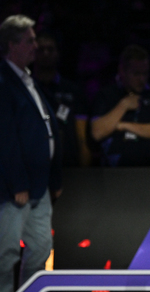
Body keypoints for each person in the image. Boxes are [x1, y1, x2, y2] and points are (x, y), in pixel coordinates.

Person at [0, 15, 62, 292]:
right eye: (30, 40)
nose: (36, 46)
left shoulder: (27, 80)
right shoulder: (4, 81)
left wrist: (55, 178)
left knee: (40, 248)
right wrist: (18, 183)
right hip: (15, 188)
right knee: (6, 254)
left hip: (40, 184)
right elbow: (5, 138)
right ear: (12, 45)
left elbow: (48, 129)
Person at [90, 44, 150, 166]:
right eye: (136, 74)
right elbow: (97, 133)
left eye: (145, 73)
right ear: (122, 71)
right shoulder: (107, 94)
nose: (142, 79)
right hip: (116, 167)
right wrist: (123, 105)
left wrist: (124, 125)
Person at [33, 32, 92, 166]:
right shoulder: (24, 89)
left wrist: (84, 170)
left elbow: (82, 138)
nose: (46, 53)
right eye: (41, 50)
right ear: (32, 53)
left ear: (58, 53)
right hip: (33, 165)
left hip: (68, 166)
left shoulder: (73, 90)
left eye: (50, 49)